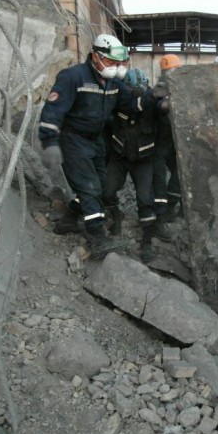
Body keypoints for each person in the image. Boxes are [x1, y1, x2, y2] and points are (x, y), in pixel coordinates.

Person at [38, 34, 158, 260]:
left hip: (96, 141)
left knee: (100, 187)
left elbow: (132, 106)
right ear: (95, 57)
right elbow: (52, 112)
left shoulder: (113, 83)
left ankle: (68, 221)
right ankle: (97, 237)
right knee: (89, 187)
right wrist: (50, 142)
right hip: (73, 140)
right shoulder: (73, 77)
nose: (117, 67)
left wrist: (153, 95)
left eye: (120, 63)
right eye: (112, 62)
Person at [102, 66, 162, 263]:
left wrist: (163, 100)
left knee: (145, 199)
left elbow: (161, 108)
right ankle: (116, 216)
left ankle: (147, 240)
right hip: (119, 157)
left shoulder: (154, 103)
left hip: (143, 160)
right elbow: (127, 109)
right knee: (107, 191)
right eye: (131, 89)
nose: (136, 92)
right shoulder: (120, 100)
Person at [152, 54, 183, 227]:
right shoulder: (159, 88)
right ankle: (161, 213)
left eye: (175, 70)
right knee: (159, 178)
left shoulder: (185, 87)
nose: (172, 73)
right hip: (160, 141)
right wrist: (170, 100)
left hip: (177, 143)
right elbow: (160, 106)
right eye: (169, 71)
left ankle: (174, 206)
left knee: (179, 175)